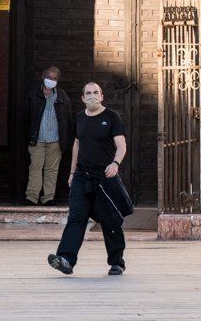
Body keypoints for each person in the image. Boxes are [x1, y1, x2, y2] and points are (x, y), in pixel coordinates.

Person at [48, 82, 132, 276]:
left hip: (105, 177)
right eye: (88, 93)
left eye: (96, 92)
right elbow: (76, 145)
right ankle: (65, 259)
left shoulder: (112, 117)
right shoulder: (79, 118)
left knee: (111, 220)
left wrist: (115, 164)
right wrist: (71, 173)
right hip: (81, 177)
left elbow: (121, 145)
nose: (92, 96)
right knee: (76, 218)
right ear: (83, 98)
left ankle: (117, 262)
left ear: (102, 96)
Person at [22, 65, 72, 206]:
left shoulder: (62, 96)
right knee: (35, 168)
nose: (52, 80)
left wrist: (65, 138)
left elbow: (68, 119)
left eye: (55, 78)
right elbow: (26, 116)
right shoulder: (34, 95)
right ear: (43, 77)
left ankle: (48, 197)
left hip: (55, 140)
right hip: (37, 138)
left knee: (52, 170)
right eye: (49, 77)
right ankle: (32, 197)